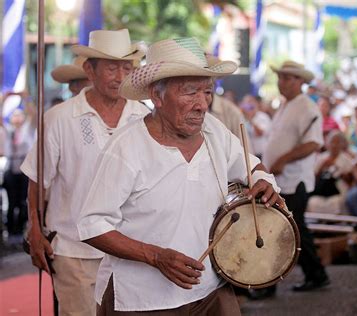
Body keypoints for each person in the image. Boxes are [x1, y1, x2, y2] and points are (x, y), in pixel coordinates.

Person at [76, 37, 283, 315]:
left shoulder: (213, 130)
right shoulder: (126, 148)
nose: (202, 104)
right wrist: (156, 256)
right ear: (157, 96)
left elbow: (253, 167)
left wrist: (266, 183)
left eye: (207, 92)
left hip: (211, 288)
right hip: (143, 298)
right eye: (189, 92)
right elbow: (92, 225)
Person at [20, 29, 148, 316]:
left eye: (126, 68)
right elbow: (38, 180)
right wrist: (35, 229)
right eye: (111, 68)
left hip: (131, 250)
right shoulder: (60, 118)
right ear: (89, 70)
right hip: (74, 249)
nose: (119, 76)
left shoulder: (143, 117)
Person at [262, 60, 329, 295]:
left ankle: (311, 275)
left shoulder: (306, 107)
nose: (282, 82)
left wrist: (283, 159)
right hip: (282, 180)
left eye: (288, 78)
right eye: (280, 77)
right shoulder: (286, 105)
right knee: (290, 229)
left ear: (300, 82)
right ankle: (314, 274)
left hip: (294, 180)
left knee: (291, 229)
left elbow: (313, 143)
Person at [4, 108, 35, 242]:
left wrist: (25, 97)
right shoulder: (7, 131)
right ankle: (11, 230)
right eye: (14, 115)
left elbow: (34, 114)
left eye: (19, 115)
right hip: (11, 168)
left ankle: (23, 227)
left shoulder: (27, 130)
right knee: (11, 202)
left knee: (24, 201)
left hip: (24, 170)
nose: (17, 118)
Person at [307, 130, 353, 214]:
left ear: (342, 144)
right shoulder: (321, 158)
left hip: (339, 190)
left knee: (337, 202)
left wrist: (338, 170)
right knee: (313, 202)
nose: (334, 145)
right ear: (328, 143)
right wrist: (322, 167)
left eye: (337, 143)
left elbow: (350, 180)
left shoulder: (347, 159)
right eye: (332, 142)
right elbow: (313, 178)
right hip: (321, 190)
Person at [240, 94, 271, 159]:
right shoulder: (242, 118)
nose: (248, 107)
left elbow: (260, 133)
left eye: (251, 104)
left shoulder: (262, 117)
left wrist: (251, 119)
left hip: (261, 154)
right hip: (249, 154)